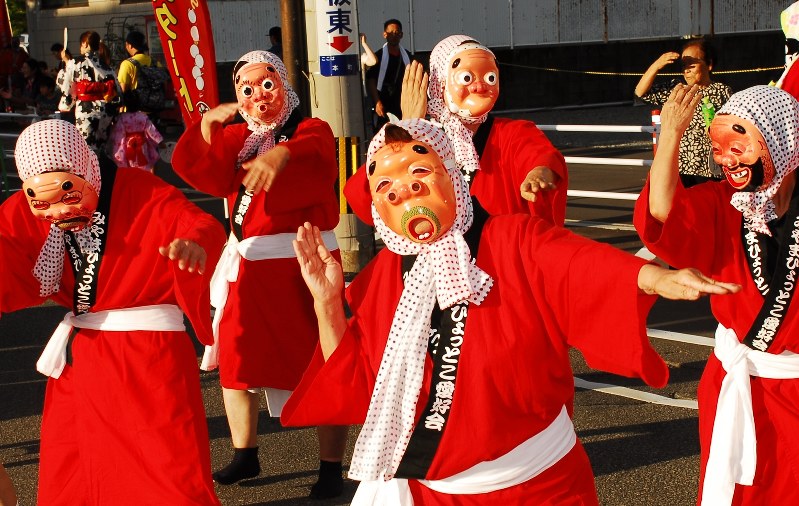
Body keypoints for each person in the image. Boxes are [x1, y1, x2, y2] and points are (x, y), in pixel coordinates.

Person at [284, 118, 740, 504]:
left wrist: (657, 278)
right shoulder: (381, 277)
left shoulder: (512, 239)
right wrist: (328, 304)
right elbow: (357, 380)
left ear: (452, 174)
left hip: (536, 486)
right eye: (387, 187)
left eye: (419, 171)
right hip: (430, 491)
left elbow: (581, 266)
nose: (405, 191)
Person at [0, 119, 225, 505]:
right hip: (82, 360)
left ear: (84, 168)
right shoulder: (24, 210)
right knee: (76, 477)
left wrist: (194, 243)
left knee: (168, 475)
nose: (58, 211)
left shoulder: (140, 188)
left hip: (149, 358)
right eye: (43, 202)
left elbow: (196, 221)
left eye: (67, 194)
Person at [171, 50, 348, 498]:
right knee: (235, 360)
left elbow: (316, 150)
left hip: (304, 264)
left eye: (266, 85)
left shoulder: (312, 128)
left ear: (285, 86)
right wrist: (207, 129)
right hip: (249, 267)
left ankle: (331, 468)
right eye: (247, 90)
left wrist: (282, 155)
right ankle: (245, 453)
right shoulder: (240, 138)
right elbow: (205, 174)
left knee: (322, 363)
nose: (258, 97)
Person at [634, 84, 799, 505]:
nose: (726, 159)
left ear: (780, 139)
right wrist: (671, 134)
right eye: (718, 147)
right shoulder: (724, 204)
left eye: (738, 144)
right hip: (736, 383)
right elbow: (662, 211)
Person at [346, 34, 568, 227]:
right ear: (439, 83)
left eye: (489, 76)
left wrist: (539, 172)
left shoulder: (512, 133)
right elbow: (362, 197)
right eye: (466, 77)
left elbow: (541, 156)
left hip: (499, 264)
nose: (479, 86)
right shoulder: (421, 139)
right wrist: (408, 128)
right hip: (440, 269)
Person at [635, 37, 732, 188]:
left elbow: (732, 125)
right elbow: (641, 93)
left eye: (692, 65)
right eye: (684, 65)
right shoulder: (677, 89)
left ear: (709, 64)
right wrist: (657, 65)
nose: (687, 70)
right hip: (678, 168)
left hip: (710, 169)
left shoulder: (721, 91)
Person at [57, 31, 119, 151]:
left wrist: (66, 62)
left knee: (86, 148)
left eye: (81, 45)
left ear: (85, 44)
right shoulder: (106, 66)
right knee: (103, 147)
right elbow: (117, 91)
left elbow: (65, 83)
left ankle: (91, 169)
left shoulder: (76, 63)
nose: (80, 48)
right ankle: (103, 169)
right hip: (105, 111)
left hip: (86, 110)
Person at [365, 19, 412, 132]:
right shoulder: (378, 57)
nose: (393, 36)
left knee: (403, 132)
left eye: (396, 33)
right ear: (384, 34)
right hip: (383, 101)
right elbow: (371, 79)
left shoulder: (407, 57)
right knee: (382, 133)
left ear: (401, 35)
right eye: (390, 33)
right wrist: (377, 102)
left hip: (402, 102)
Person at [109, 107, 164, 172]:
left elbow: (119, 134)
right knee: (143, 164)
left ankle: (133, 179)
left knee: (130, 165)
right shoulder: (143, 116)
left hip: (128, 144)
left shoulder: (122, 117)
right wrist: (160, 142)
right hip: (142, 144)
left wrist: (114, 144)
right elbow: (151, 130)